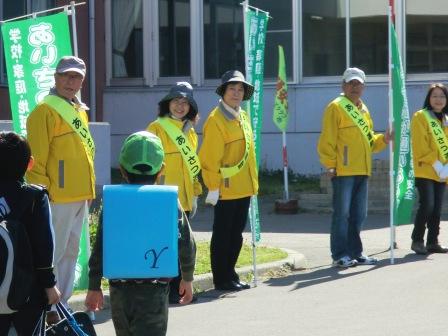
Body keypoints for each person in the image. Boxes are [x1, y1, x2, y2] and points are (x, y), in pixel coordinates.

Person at [85, 131, 196, 336]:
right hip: (153, 291)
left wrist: (94, 286)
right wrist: (187, 278)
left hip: (119, 291)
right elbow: (187, 242)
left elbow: (100, 245)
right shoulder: (168, 199)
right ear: (161, 169)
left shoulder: (113, 200)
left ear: (122, 170)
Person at [26, 56, 96, 323]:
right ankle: (45, 306)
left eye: (77, 77)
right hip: (57, 195)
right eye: (66, 76)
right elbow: (36, 159)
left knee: (71, 251)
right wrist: (42, 194)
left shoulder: (79, 110)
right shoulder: (44, 111)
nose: (71, 82)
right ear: (55, 77)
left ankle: (61, 305)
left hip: (80, 195)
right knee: (51, 252)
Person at [317, 67, 391, 268]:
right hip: (343, 170)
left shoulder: (363, 109)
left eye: (358, 83)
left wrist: (384, 139)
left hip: (362, 170)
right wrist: (330, 165)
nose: (355, 87)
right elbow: (327, 140)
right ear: (343, 85)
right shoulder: (336, 107)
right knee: (342, 214)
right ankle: (340, 254)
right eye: (351, 83)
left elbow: (370, 142)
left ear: (364, 87)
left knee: (359, 215)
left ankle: (355, 253)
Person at [199, 70, 258, 291]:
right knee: (223, 235)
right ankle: (221, 278)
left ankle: (231, 275)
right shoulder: (216, 120)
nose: (236, 93)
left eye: (240, 89)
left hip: (243, 187)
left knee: (236, 235)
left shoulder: (241, 116)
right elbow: (209, 158)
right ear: (223, 92)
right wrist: (213, 187)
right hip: (224, 188)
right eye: (232, 89)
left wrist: (253, 183)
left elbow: (249, 153)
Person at [0, 132, 60, 335]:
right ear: (30, 163)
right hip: (28, 292)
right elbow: (44, 246)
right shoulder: (35, 197)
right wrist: (49, 285)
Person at [146, 82, 202, 304]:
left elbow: (193, 167)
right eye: (176, 101)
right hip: (164, 195)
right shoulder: (156, 128)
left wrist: (196, 192)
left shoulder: (190, 132)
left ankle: (180, 289)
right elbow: (148, 163)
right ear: (167, 103)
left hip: (185, 197)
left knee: (182, 244)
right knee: (168, 244)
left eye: (185, 102)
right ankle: (169, 290)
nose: (180, 106)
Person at [410, 83, 448, 255]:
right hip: (425, 169)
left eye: (442, 96)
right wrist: (436, 163)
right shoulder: (420, 116)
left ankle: (433, 241)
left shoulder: (446, 119)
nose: (438, 100)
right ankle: (417, 240)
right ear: (429, 98)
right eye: (435, 96)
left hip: (443, 171)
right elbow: (419, 145)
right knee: (428, 204)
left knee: (438, 206)